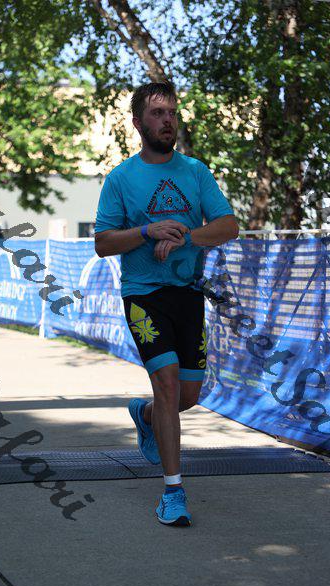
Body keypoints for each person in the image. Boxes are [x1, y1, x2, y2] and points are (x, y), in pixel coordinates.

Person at [94, 81, 239, 527]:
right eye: (157, 113)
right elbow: (102, 243)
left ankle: (145, 414)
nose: (167, 120)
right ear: (138, 123)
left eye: (172, 113)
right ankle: (173, 492)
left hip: (188, 294)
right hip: (143, 295)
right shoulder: (121, 178)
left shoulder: (195, 171)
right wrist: (147, 231)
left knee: (188, 396)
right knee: (169, 384)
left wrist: (185, 237)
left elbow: (229, 225)